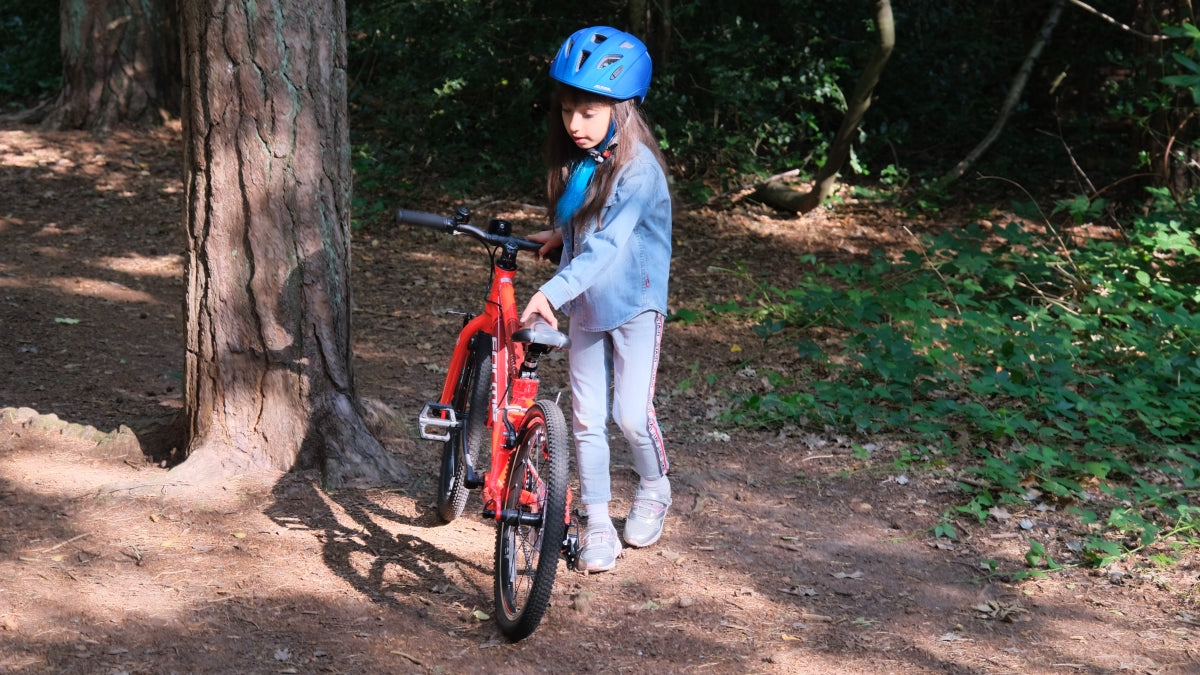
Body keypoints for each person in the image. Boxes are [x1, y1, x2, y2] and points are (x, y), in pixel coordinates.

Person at [520, 26, 673, 573]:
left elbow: (611, 245)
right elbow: (590, 223)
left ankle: (655, 487)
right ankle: (597, 522)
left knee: (630, 415)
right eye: (567, 111)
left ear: (621, 107)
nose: (574, 125)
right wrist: (562, 236)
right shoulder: (587, 161)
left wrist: (549, 292)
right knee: (586, 419)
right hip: (586, 303)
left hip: (635, 303)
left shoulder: (640, 172)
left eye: (588, 112)